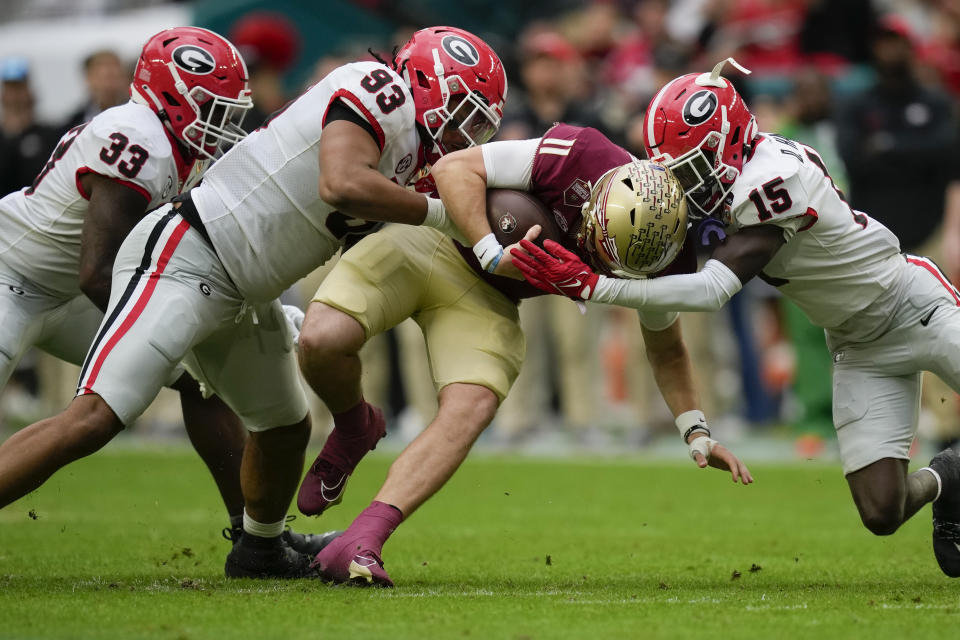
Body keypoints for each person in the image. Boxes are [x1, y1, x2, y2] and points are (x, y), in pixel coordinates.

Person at [0, 25, 506, 579]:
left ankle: (260, 549)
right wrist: (440, 213)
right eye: (464, 109)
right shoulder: (375, 88)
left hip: (242, 287)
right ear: (425, 82)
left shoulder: (412, 157)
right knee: (94, 419)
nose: (467, 130)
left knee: (285, 425)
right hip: (189, 257)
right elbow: (341, 184)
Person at [510, 58, 960, 578]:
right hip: (858, 346)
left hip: (912, 303)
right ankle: (949, 475)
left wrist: (593, 285)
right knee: (883, 510)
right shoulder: (729, 176)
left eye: (692, 165)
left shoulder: (774, 179)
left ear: (731, 140)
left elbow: (711, 290)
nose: (682, 181)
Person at [298, 120, 753, 586]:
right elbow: (456, 169)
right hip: (432, 241)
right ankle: (353, 425)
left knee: (472, 404)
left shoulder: (668, 258)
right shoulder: (582, 154)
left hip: (489, 300)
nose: (601, 263)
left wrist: (696, 431)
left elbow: (666, 348)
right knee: (322, 339)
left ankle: (364, 537)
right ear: (594, 202)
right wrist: (490, 248)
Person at [61, 50, 130, 131]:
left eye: (114, 74)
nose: (109, 71)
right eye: (101, 75)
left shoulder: (139, 118)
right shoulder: (70, 127)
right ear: (88, 78)